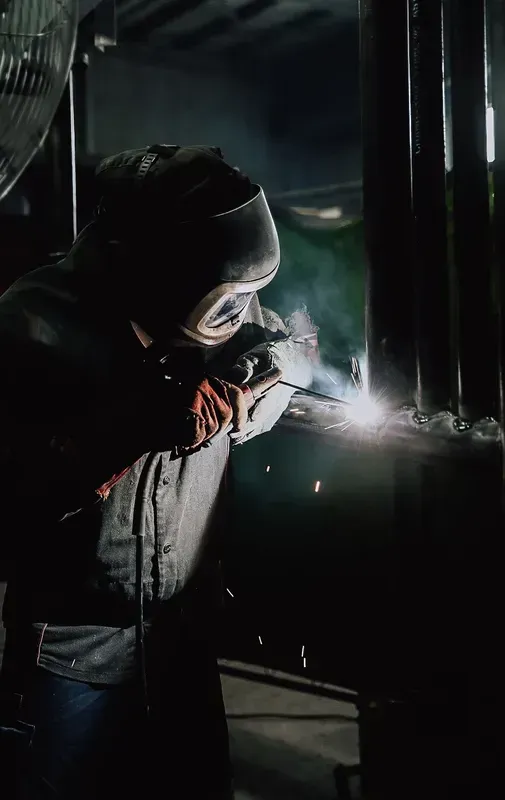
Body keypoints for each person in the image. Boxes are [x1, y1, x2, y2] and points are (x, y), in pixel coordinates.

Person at [0, 144, 314, 798]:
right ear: (156, 270)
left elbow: (285, 341)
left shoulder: (217, 297)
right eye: (227, 301)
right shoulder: (32, 324)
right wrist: (135, 426)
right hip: (72, 655)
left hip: (180, 644)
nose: (237, 313)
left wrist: (273, 373)